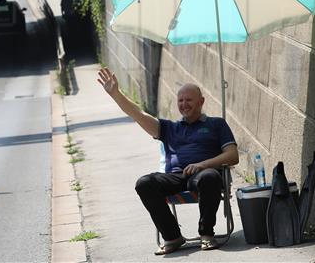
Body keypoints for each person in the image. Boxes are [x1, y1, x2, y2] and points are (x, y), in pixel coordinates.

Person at [97, 67, 239, 255]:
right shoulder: (169, 128)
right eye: (180, 100)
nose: (184, 104)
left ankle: (206, 234)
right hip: (176, 176)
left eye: (189, 100)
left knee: (210, 177)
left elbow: (232, 155)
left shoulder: (216, 124)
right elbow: (138, 114)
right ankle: (172, 236)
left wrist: (203, 165)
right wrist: (116, 94)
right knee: (145, 183)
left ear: (201, 102)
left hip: (203, 174)